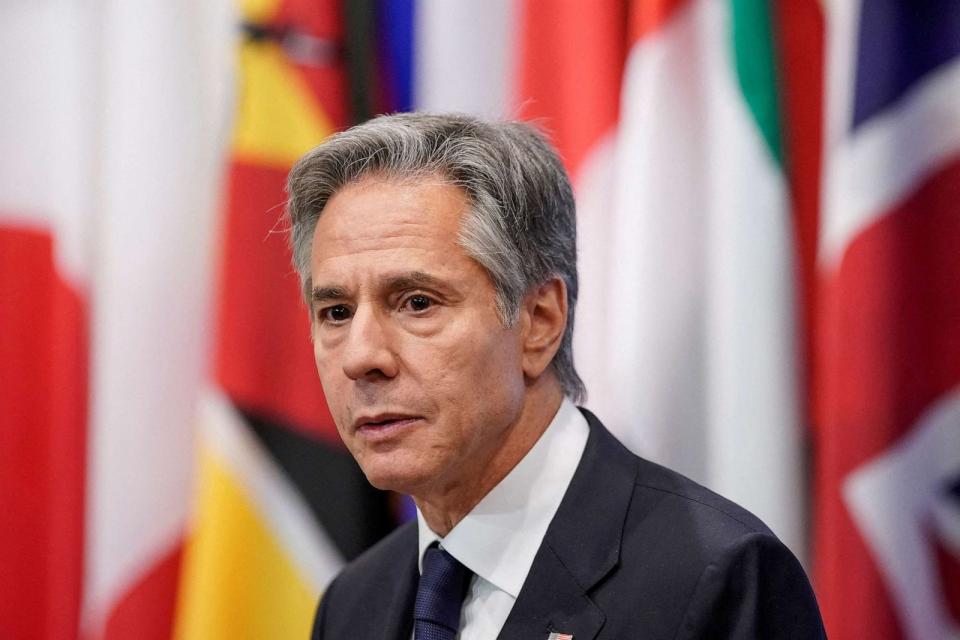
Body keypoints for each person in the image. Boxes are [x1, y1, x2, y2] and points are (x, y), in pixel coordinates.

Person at [286, 112, 825, 639]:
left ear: (539, 323)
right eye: (336, 312)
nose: (360, 357)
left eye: (417, 303)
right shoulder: (352, 604)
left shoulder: (716, 580)